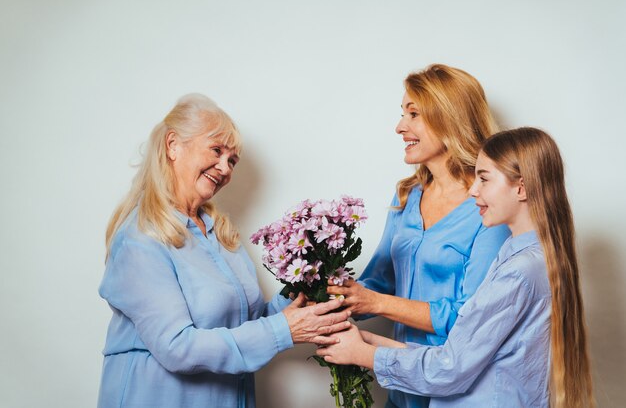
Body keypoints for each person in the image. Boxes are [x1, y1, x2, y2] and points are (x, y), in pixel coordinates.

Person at [97, 94, 351, 408]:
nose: (224, 168)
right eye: (216, 151)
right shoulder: (140, 238)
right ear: (173, 145)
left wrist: (305, 287)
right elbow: (178, 347)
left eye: (232, 160)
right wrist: (284, 329)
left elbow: (247, 324)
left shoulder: (220, 234)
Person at [318, 127, 595, 408]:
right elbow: (461, 353)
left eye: (484, 179)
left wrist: (362, 355)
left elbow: (449, 369)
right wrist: (368, 342)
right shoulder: (525, 258)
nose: (474, 190)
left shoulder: (519, 271)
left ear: (521, 187)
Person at [326, 64, 510, 408]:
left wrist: (376, 303)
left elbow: (475, 318)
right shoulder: (406, 196)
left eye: (414, 114)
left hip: (458, 392)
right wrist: (333, 291)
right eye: (402, 113)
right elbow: (378, 282)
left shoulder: (489, 207)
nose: (400, 127)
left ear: (450, 118)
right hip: (402, 385)